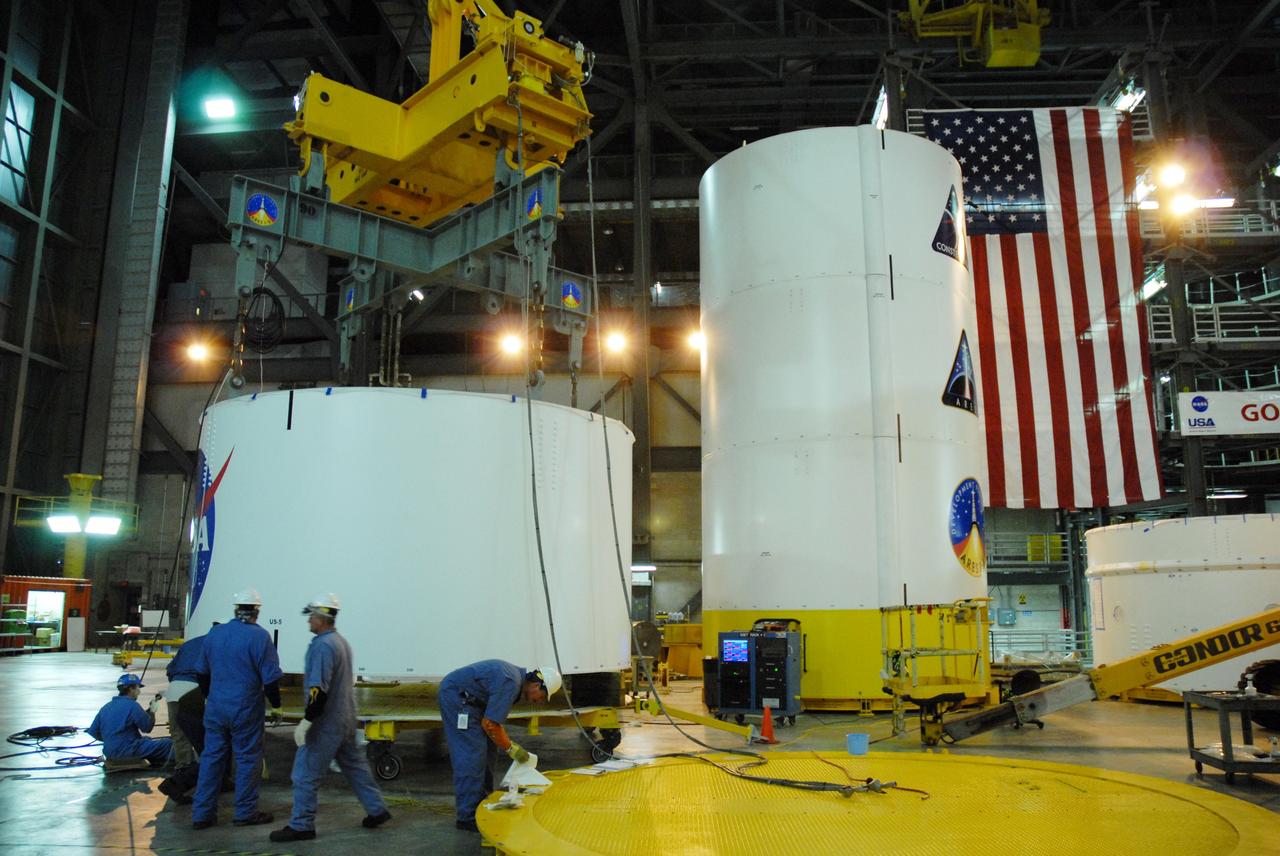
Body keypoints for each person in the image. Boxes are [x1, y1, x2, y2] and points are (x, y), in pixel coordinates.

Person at [270, 594, 390, 842]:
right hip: (345, 718)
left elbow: (318, 689)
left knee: (304, 774)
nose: (309, 622)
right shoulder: (341, 642)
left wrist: (307, 721)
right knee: (356, 768)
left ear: (322, 618)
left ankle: (302, 824)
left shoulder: (322, 646)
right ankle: (376, 809)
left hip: (325, 724)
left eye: (311, 617)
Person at [190, 589, 283, 830]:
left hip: (216, 708)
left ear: (235, 609)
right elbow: (271, 680)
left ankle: (202, 814)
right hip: (245, 708)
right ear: (257, 611)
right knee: (247, 759)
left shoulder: (215, 633)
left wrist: (212, 696)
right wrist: (277, 706)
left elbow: (201, 672)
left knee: (211, 758)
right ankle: (245, 812)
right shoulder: (260, 637)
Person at [438, 660, 560, 832]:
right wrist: (512, 749)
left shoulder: (514, 681)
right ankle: (467, 817)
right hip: (458, 699)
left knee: (488, 752)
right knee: (472, 756)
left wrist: (507, 745)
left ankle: (482, 805)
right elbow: (491, 724)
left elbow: (492, 724)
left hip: (471, 702)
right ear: (536, 684)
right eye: (541, 696)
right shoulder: (510, 682)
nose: (539, 701)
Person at [157, 627, 215, 804]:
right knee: (209, 741)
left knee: (178, 734)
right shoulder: (215, 644)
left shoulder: (190, 644)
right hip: (194, 691)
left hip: (174, 689)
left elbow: (170, 669)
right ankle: (198, 775)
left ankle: (182, 770)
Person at [87, 673, 173, 767]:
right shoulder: (133, 706)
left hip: (110, 752)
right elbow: (147, 728)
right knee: (168, 744)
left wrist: (112, 740)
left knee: (146, 740)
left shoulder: (106, 707)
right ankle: (179, 768)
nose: (139, 692)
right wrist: (152, 711)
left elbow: (94, 732)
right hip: (128, 751)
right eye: (138, 688)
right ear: (131, 689)